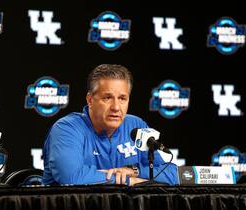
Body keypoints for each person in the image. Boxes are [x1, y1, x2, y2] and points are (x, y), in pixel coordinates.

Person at [42, 64, 178, 186]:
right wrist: (129, 181)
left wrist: (134, 171)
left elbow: (172, 173)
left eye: (122, 98)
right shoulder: (67, 129)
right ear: (90, 100)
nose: (116, 107)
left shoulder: (136, 125)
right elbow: (71, 177)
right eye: (107, 98)